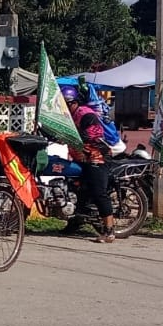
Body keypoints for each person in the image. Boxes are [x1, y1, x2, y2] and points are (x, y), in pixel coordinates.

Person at [59, 84, 117, 243]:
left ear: (73, 102)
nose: (65, 108)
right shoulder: (69, 117)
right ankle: (76, 222)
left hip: (97, 157)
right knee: (78, 190)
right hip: (82, 158)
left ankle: (109, 230)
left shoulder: (86, 114)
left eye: (66, 104)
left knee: (98, 192)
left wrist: (70, 137)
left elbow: (92, 134)